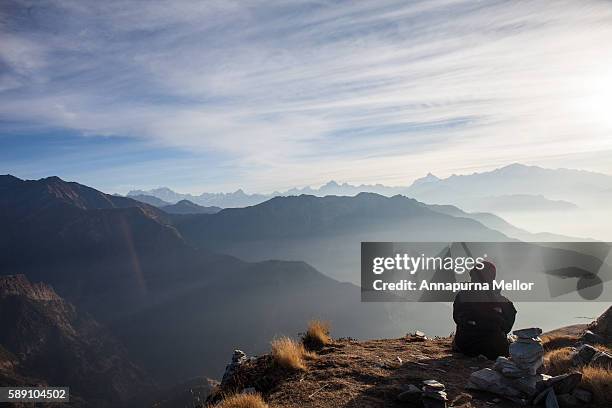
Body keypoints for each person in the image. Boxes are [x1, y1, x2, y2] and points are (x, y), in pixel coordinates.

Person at [452, 261, 516, 359]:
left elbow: (456, 318)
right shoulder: (505, 302)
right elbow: (507, 327)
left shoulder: (462, 296)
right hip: (496, 349)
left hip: (465, 346)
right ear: (492, 278)